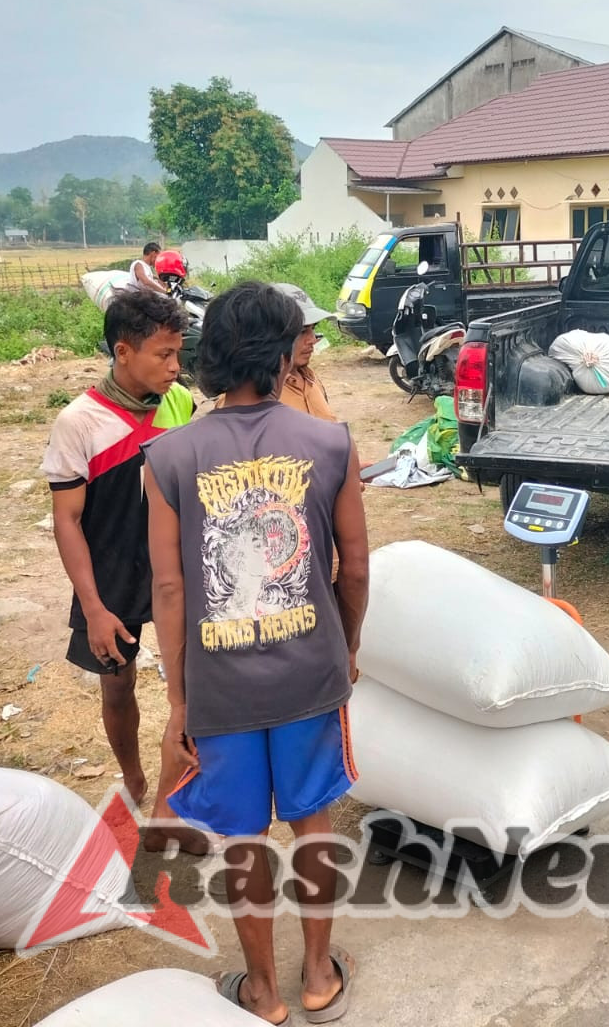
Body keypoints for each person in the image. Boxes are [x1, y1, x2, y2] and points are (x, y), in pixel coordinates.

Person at [143, 281, 369, 1025]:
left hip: (220, 692)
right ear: (280, 356)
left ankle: (263, 993)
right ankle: (318, 979)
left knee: (243, 840)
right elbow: (355, 568)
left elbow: (169, 590)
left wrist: (180, 701)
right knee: (312, 822)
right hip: (309, 675)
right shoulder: (329, 442)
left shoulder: (169, 456)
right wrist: (347, 646)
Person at [43, 290, 196, 842]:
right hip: (110, 574)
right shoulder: (78, 423)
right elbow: (67, 520)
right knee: (118, 682)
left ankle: (169, 803)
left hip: (175, 570)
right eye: (164, 355)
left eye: (179, 353)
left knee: (193, 684)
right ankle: (132, 777)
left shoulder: (179, 403)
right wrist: (94, 606)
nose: (176, 367)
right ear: (124, 351)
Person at [272, 282, 339, 421]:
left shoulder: (310, 379)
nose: (312, 340)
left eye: (313, 329)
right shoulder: (252, 400)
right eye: (302, 331)